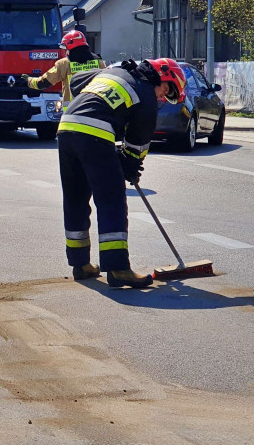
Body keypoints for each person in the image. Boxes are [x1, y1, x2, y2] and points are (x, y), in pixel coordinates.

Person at [56, 57, 186, 288]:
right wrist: (130, 166)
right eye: (166, 90)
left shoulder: (115, 73)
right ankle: (117, 269)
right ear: (161, 76)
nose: (162, 97)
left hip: (66, 129)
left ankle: (81, 264)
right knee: (112, 199)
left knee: (75, 197)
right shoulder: (144, 94)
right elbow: (138, 142)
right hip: (94, 133)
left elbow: (76, 81)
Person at [23, 30, 105, 103]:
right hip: (94, 109)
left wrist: (29, 80)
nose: (66, 52)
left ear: (70, 48)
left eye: (66, 48)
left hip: (72, 112)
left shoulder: (63, 64)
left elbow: (43, 83)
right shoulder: (99, 63)